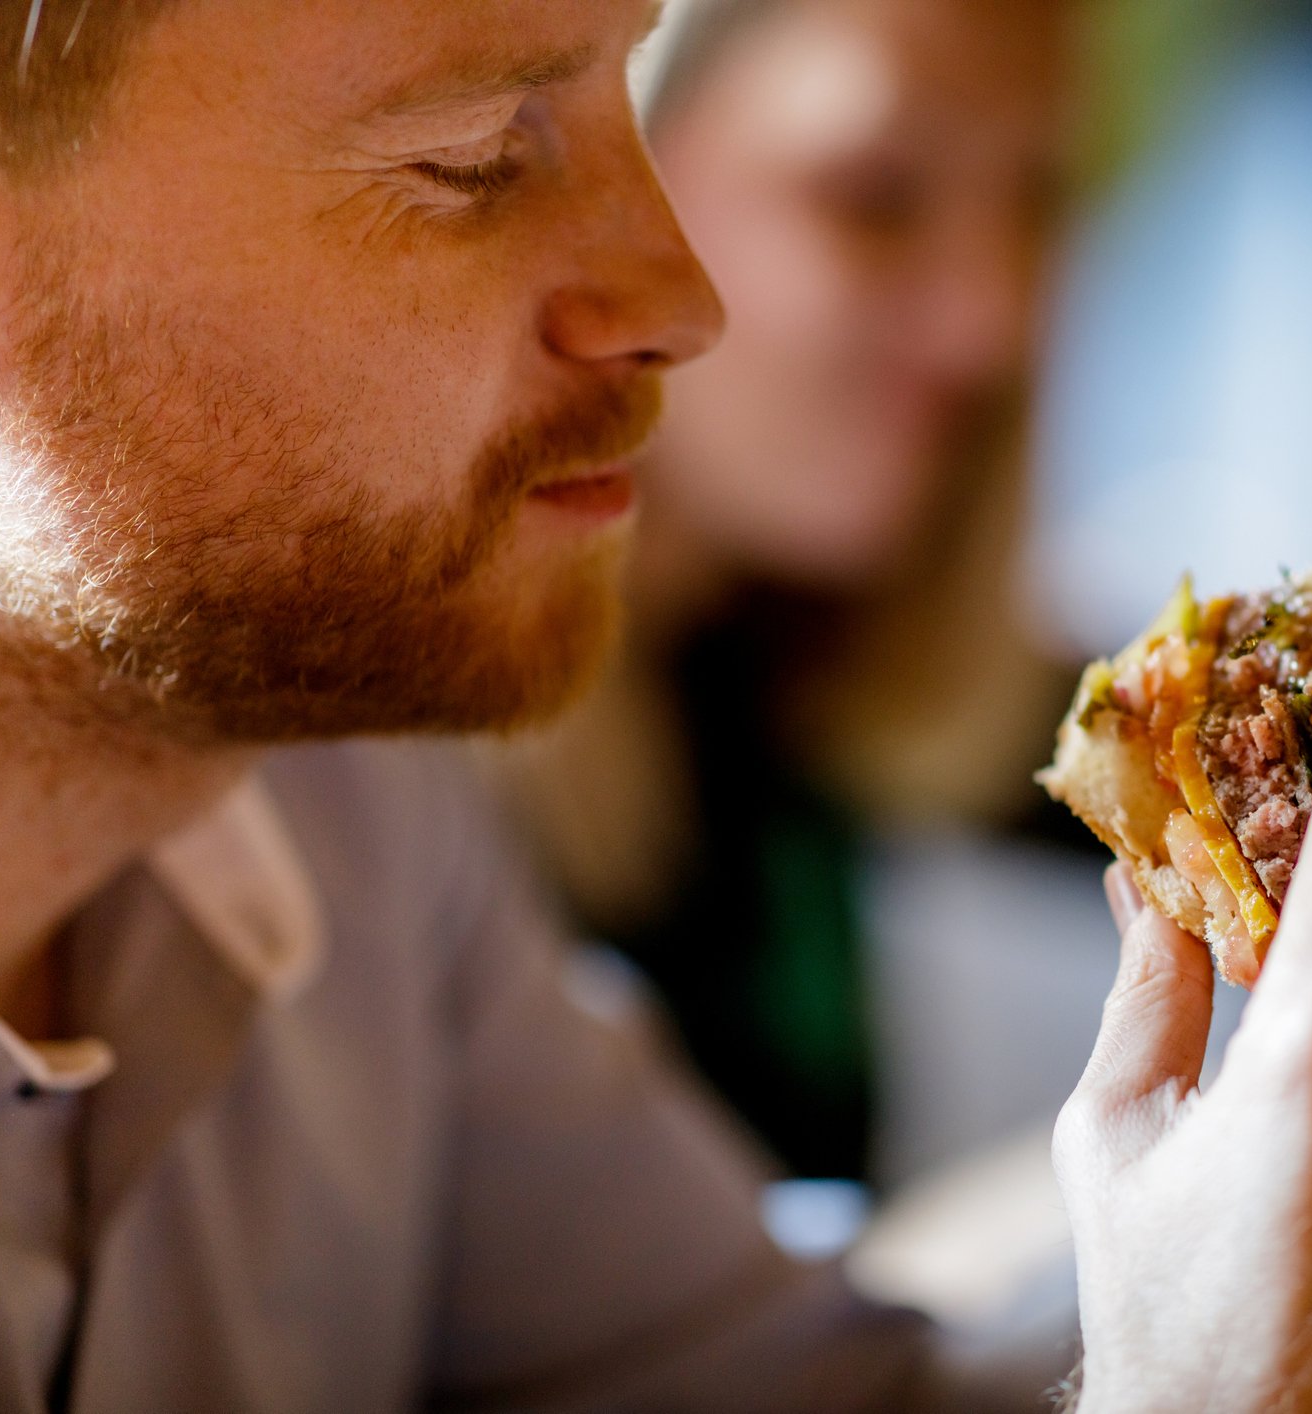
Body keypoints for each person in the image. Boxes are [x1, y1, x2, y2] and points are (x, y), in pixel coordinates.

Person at [0, 0, 1312, 1410]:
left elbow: (826, 1392)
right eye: (476, 151)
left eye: (620, 97)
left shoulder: (345, 828)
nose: (679, 295)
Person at [487, 0, 1076, 1182]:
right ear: (597, 162)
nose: (990, 322)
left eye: (1035, 204)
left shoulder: (793, 686)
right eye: (875, 197)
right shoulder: (358, 797)